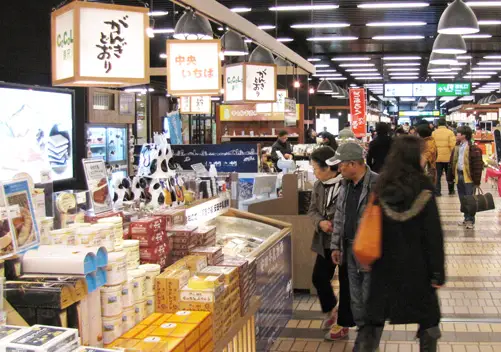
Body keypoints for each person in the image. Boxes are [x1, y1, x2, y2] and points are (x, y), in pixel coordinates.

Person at [358, 136, 445, 352]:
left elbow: (370, 225)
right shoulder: (424, 187)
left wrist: (368, 259)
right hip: (418, 267)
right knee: (429, 317)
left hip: (384, 264)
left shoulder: (381, 186)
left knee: (374, 316)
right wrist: (437, 272)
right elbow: (433, 234)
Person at [327, 142, 379, 350]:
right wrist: (335, 246)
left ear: (354, 164)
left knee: (369, 299)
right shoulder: (345, 185)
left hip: (370, 253)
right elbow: (339, 216)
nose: (338, 169)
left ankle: (368, 342)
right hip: (348, 250)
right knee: (355, 300)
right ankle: (363, 336)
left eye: (341, 165)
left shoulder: (378, 184)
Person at [308, 147, 354, 340]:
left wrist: (335, 225)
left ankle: (343, 324)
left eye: (316, 168)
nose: (314, 173)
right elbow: (311, 210)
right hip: (324, 241)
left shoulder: (348, 185)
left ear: (328, 167)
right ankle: (331, 309)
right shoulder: (318, 186)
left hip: (345, 243)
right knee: (319, 277)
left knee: (346, 284)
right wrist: (320, 222)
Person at [447, 126, 484, 229]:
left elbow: (477, 166)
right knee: (463, 199)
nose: (456, 135)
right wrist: (450, 177)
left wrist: (477, 181)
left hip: (469, 178)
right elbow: (452, 162)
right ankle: (466, 218)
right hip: (459, 176)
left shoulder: (474, 148)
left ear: (464, 135)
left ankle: (470, 220)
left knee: (470, 199)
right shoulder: (457, 147)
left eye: (458, 133)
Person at [433, 118, 456, 196]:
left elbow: (432, 146)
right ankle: (451, 190)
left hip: (437, 158)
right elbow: (453, 146)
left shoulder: (434, 133)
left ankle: (437, 192)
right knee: (449, 175)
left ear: (438, 124)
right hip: (448, 158)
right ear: (445, 124)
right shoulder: (450, 132)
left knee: (438, 176)